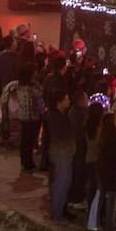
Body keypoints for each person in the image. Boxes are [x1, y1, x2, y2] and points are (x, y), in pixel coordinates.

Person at [3, 63, 45, 173]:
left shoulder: (19, 86)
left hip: (23, 116)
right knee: (30, 140)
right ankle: (29, 162)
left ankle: (24, 161)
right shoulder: (32, 87)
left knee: (25, 140)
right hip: (33, 116)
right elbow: (40, 94)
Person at [44, 89, 75, 221]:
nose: (68, 101)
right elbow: (59, 136)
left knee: (64, 182)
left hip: (62, 152)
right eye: (66, 99)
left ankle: (59, 210)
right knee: (61, 183)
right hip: (61, 153)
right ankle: (56, 213)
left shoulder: (59, 115)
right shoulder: (56, 117)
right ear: (59, 102)